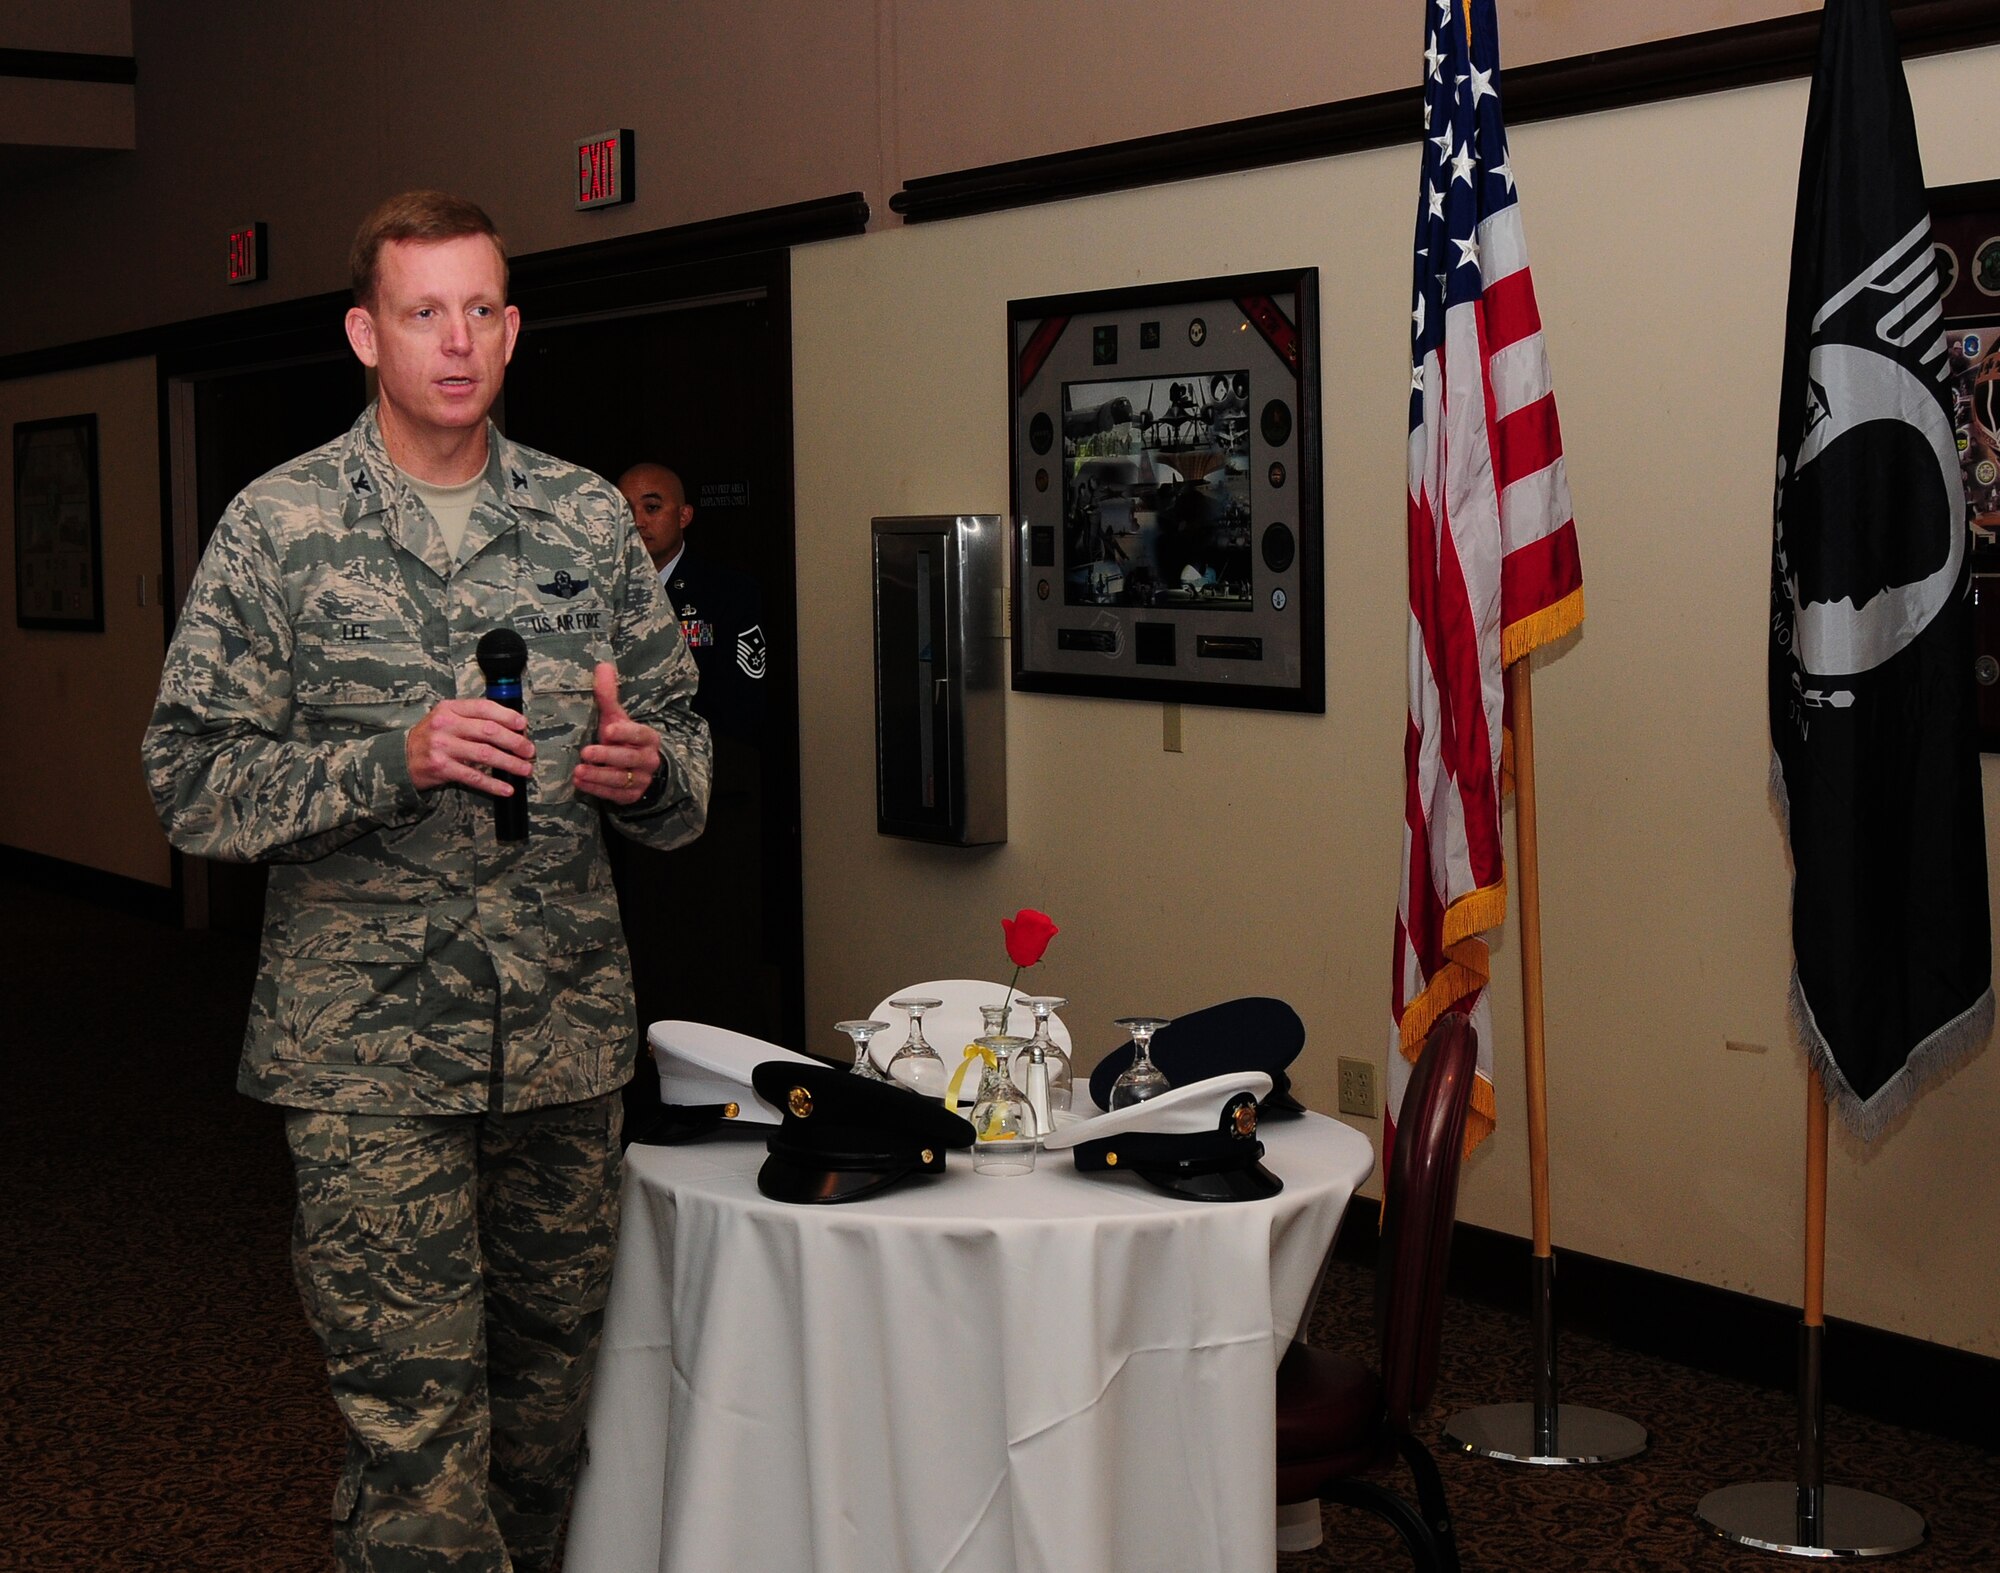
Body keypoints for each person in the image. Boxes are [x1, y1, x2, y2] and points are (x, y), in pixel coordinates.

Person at [141, 191, 711, 1573]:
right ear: (365, 333)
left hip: (564, 1054)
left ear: (511, 330)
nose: (455, 341)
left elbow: (689, 762)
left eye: (480, 311)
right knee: (418, 1449)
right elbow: (189, 778)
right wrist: (392, 759)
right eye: (421, 312)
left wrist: (652, 774)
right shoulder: (277, 528)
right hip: (367, 1060)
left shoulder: (586, 518)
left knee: (543, 1434)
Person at [610, 463, 777, 1121]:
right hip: (617, 808)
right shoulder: (593, 593)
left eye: (652, 506)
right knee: (638, 954)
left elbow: (745, 703)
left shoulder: (726, 593)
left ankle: (716, 1094)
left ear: (683, 516)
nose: (637, 519)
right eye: (626, 507)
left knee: (707, 953)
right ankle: (639, 1096)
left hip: (710, 806)